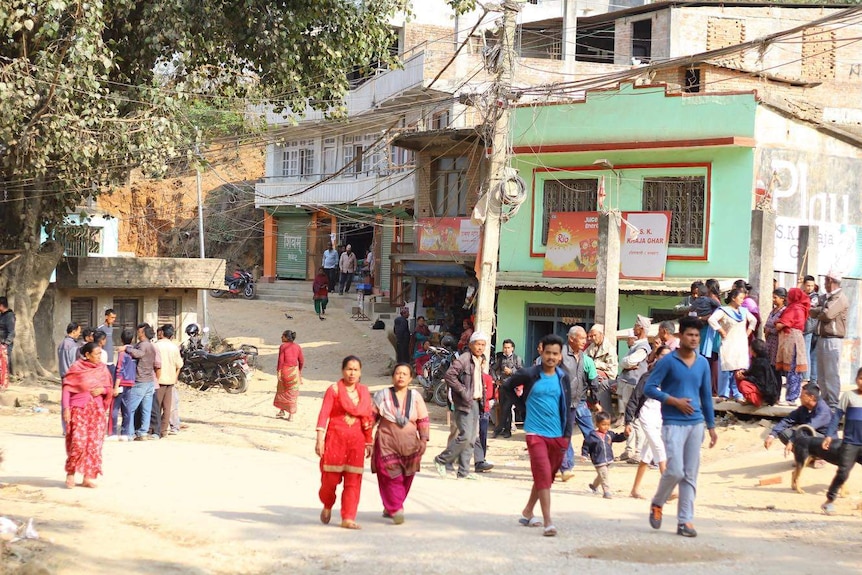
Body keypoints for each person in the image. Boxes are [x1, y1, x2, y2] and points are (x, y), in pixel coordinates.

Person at [646, 316, 718, 538]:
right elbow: (649, 388)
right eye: (690, 334)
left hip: (696, 424)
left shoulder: (703, 363)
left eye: (697, 335)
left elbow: (706, 396)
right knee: (675, 470)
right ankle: (658, 502)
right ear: (680, 336)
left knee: (690, 474)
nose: (694, 338)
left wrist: (712, 426)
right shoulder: (668, 361)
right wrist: (673, 400)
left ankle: (685, 521)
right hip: (673, 423)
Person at [504, 334, 572, 536]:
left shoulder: (563, 377)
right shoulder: (529, 374)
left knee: (547, 476)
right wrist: (523, 407)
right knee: (542, 472)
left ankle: (527, 511)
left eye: (555, 354)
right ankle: (548, 521)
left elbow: (567, 406)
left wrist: (567, 435)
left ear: (560, 356)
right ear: (541, 352)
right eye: (548, 352)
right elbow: (507, 386)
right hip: (534, 432)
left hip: (557, 433)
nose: (551, 357)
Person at [315, 355, 373, 529]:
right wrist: (319, 439)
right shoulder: (333, 390)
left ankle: (348, 517)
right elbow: (324, 414)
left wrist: (369, 441)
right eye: (349, 369)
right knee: (329, 482)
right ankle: (327, 504)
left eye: (356, 370)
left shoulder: (364, 392)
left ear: (360, 372)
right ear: (342, 370)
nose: (352, 373)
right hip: (335, 441)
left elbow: (367, 417)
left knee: (353, 481)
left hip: (356, 443)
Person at [371, 363, 430, 524]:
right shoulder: (382, 395)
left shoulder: (416, 397)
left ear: (410, 378)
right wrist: (366, 440)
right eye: (398, 373)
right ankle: (397, 508)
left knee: (406, 477)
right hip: (386, 443)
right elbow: (371, 418)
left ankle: (391, 504)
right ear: (393, 376)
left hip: (410, 446)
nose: (401, 376)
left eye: (405, 374)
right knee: (390, 476)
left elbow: (423, 419)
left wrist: (424, 439)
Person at [434, 331, 489, 480]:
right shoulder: (464, 358)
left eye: (483, 345)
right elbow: (449, 375)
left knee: (471, 439)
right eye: (478, 344)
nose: (480, 347)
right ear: (471, 344)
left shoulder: (480, 359)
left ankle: (463, 472)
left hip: (476, 402)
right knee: (464, 436)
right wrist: (463, 391)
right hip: (464, 403)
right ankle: (441, 459)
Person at [62, 342, 111, 488]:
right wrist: (66, 408)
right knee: (78, 442)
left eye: (100, 354)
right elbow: (67, 389)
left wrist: (102, 390)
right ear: (87, 355)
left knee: (94, 445)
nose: (99, 357)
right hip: (79, 410)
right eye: (96, 354)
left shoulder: (103, 369)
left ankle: (88, 476)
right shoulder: (76, 368)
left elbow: (109, 388)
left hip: (96, 411)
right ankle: (70, 473)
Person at [627, 345, 673, 499]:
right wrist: (628, 420)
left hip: (660, 417)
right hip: (646, 415)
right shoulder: (648, 377)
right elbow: (634, 398)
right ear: (657, 357)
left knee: (647, 455)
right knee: (660, 448)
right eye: (663, 356)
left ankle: (635, 490)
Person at [559, 326, 598, 481]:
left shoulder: (583, 357)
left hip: (576, 402)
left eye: (585, 338)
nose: (585, 341)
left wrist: (594, 401)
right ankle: (566, 467)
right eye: (582, 338)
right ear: (571, 339)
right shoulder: (560, 353)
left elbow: (592, 381)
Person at [821, 368, 862, 515]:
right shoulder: (849, 396)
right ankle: (829, 501)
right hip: (850, 443)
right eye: (861, 378)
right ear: (856, 379)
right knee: (843, 473)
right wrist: (829, 435)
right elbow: (836, 417)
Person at [708, 288, 756, 401]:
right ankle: (724, 394)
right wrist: (720, 330)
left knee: (739, 369)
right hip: (728, 343)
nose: (742, 301)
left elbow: (753, 320)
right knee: (727, 367)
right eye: (740, 298)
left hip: (741, 343)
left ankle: (738, 394)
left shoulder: (744, 311)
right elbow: (712, 320)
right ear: (733, 298)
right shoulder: (724, 311)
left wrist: (748, 332)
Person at [809, 271, 849, 408]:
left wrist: (820, 310)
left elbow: (827, 314)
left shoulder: (840, 298)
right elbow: (812, 311)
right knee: (822, 374)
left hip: (833, 340)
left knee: (831, 373)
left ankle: (832, 403)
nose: (824, 284)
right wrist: (821, 309)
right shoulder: (826, 298)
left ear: (831, 281)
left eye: (826, 281)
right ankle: (825, 402)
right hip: (822, 338)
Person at [618, 315, 653, 462]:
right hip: (628, 383)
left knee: (636, 418)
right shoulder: (636, 345)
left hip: (636, 384)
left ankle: (639, 452)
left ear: (642, 329)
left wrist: (625, 362)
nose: (634, 328)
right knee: (629, 418)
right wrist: (625, 363)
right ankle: (629, 449)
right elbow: (624, 363)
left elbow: (629, 361)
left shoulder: (643, 347)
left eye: (636, 326)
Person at [120, 323, 161, 441]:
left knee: (130, 408)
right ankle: (143, 432)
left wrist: (126, 348)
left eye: (139, 331)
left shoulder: (143, 346)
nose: (138, 333)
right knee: (146, 409)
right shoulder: (152, 346)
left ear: (143, 333)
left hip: (140, 381)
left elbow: (138, 354)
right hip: (149, 381)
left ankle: (130, 432)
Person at [765, 383, 832, 450]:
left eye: (802, 395)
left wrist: (792, 441)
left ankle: (813, 456)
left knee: (804, 435)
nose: (800, 397)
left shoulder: (823, 411)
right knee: (783, 432)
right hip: (809, 436)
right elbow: (788, 420)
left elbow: (808, 428)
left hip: (826, 442)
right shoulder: (804, 408)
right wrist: (772, 435)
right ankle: (804, 456)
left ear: (811, 397)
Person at [775, 287, 810, 404]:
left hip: (792, 341)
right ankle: (792, 396)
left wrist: (777, 323)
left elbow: (782, 324)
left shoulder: (794, 309)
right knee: (793, 370)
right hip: (795, 340)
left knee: (793, 370)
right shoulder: (800, 307)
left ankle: (791, 398)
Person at [584, 411, 627, 498]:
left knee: (602, 475)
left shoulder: (609, 434)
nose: (606, 427)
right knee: (604, 475)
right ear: (597, 424)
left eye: (608, 424)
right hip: (598, 460)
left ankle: (594, 486)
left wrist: (625, 435)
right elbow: (586, 445)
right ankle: (606, 491)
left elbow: (618, 438)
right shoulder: (592, 436)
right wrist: (584, 454)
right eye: (603, 424)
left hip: (608, 459)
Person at [151, 325, 182, 439]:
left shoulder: (156, 346)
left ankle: (155, 430)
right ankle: (163, 431)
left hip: (158, 380)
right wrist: (175, 377)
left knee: (156, 407)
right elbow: (179, 365)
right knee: (167, 408)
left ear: (162, 333)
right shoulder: (174, 347)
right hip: (170, 380)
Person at [108, 327, 137, 441]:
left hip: (121, 383)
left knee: (114, 408)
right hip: (130, 383)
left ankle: (113, 432)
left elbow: (119, 370)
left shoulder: (122, 354)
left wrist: (115, 386)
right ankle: (125, 433)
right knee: (126, 409)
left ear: (121, 339)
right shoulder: (134, 352)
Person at [493, 338, 524, 438]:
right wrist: (496, 379)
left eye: (508, 348)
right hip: (502, 387)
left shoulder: (517, 359)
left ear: (512, 348)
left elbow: (522, 373)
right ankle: (506, 430)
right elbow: (493, 369)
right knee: (503, 408)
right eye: (504, 348)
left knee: (507, 408)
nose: (506, 350)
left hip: (512, 388)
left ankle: (501, 428)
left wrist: (511, 372)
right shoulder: (501, 359)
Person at [736, 339, 781, 408]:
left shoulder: (761, 362)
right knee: (738, 376)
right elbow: (752, 373)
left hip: (766, 390)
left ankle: (759, 401)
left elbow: (760, 380)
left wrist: (745, 377)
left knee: (743, 385)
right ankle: (750, 400)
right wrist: (743, 372)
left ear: (754, 350)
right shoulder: (757, 360)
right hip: (760, 386)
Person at [586, 324, 618, 416]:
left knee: (598, 384)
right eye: (591, 336)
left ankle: (606, 415)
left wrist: (595, 365)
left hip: (606, 377)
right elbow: (584, 359)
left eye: (594, 335)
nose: (592, 338)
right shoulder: (591, 347)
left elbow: (612, 369)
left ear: (601, 335)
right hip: (592, 375)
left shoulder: (610, 349)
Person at [275, 330, 305, 421]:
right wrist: (299, 371)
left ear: (286, 337)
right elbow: (301, 361)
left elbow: (281, 360)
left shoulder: (283, 347)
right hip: (294, 372)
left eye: (282, 336)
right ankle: (291, 415)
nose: (281, 337)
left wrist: (278, 371)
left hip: (285, 370)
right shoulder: (297, 347)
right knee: (292, 393)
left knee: (282, 391)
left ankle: (282, 410)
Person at [799, 275, 819, 385]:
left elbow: (809, 309)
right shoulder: (802, 295)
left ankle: (807, 378)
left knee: (809, 354)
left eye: (812, 286)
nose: (810, 288)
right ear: (804, 285)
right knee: (808, 354)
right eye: (808, 286)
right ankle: (812, 378)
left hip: (810, 329)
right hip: (807, 328)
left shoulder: (815, 297)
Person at [763, 288, 787, 370]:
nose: (773, 300)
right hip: (769, 341)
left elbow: (781, 327)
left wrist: (770, 331)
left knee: (775, 366)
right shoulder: (773, 310)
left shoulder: (784, 311)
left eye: (775, 297)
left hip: (777, 342)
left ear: (782, 299)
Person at [96, 308, 117, 379]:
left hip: (111, 360)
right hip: (103, 361)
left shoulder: (111, 328)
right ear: (106, 317)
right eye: (112, 317)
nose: (113, 319)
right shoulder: (100, 329)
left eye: (114, 318)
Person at [0, 296, 15, 375]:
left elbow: (11, 332)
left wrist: (6, 344)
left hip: (5, 345)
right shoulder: (1, 315)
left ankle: (3, 384)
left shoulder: (9, 316)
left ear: (1, 305)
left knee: (4, 364)